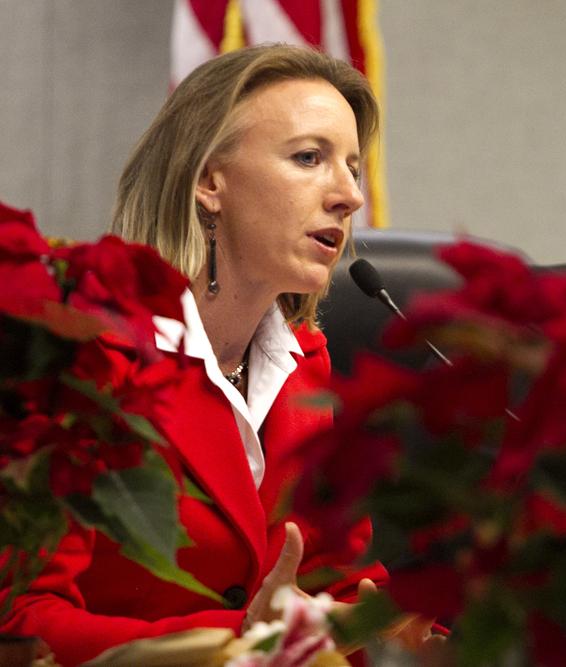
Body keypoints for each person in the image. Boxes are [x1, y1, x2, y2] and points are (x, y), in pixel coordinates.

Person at [0, 44, 387, 666]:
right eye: (309, 158)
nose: (349, 196)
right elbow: (22, 622)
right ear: (209, 182)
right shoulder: (83, 355)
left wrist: (400, 635)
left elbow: (339, 586)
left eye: (352, 167)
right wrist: (235, 642)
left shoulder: (304, 366)